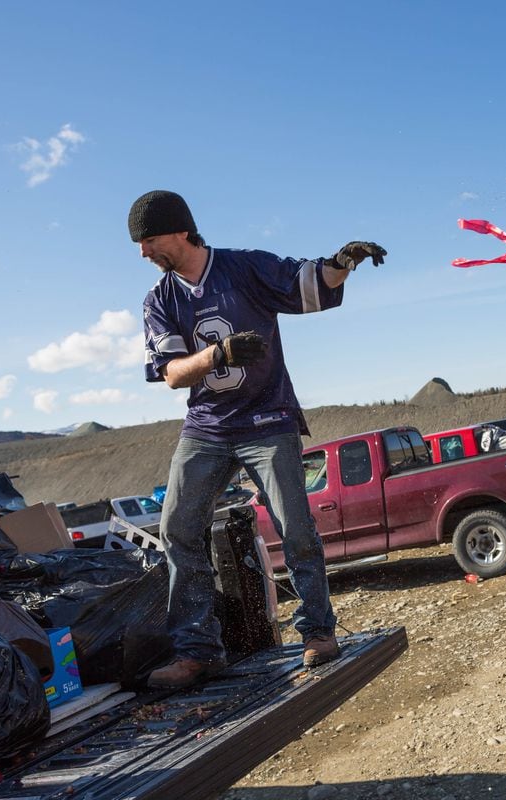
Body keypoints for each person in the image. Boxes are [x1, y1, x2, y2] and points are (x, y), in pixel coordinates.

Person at [130, 189, 386, 688]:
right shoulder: (159, 300)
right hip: (207, 427)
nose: (143, 252)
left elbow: (308, 283)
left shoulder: (243, 269)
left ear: (181, 230)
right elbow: (174, 375)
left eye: (149, 239)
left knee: (295, 525)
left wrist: (342, 263)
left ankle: (317, 632)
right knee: (178, 528)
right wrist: (218, 355)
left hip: (268, 420)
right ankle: (197, 651)